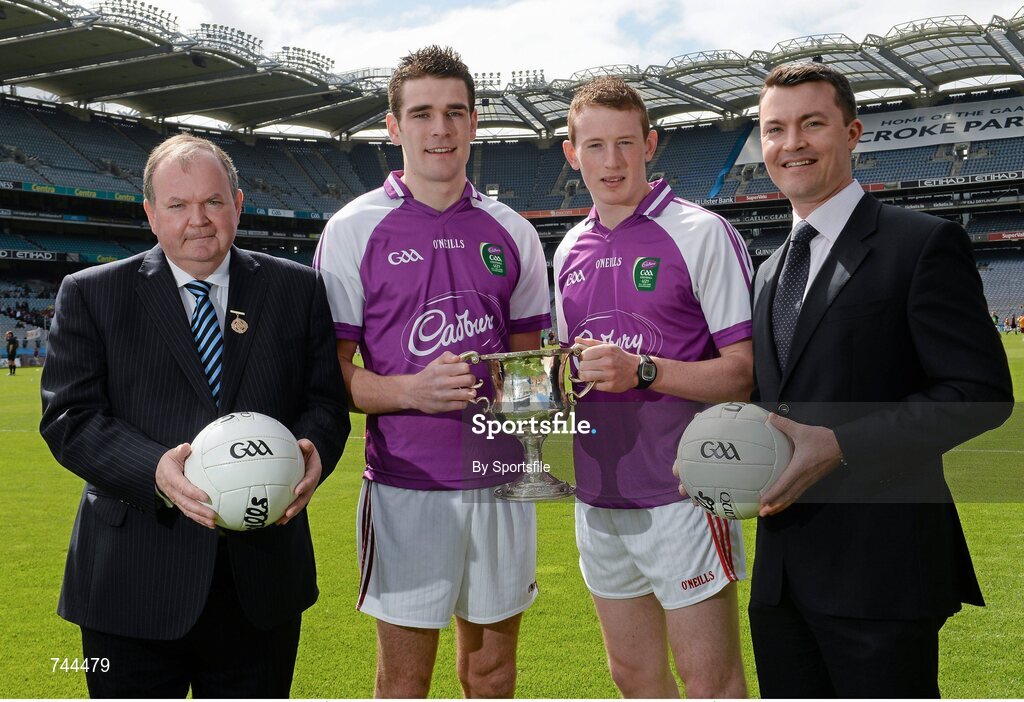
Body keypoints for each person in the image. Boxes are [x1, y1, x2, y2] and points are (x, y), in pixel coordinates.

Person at [40, 134, 348, 698]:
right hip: (130, 583)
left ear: (237, 202)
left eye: (212, 201)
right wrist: (154, 468)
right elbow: (69, 418)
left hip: (260, 581)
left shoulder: (297, 289)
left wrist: (312, 454)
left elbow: (324, 404)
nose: (198, 220)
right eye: (178, 205)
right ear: (151, 214)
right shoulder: (91, 294)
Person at [747, 62, 1012, 697]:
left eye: (812, 124)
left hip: (882, 569)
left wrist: (840, 445)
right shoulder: (767, 269)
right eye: (774, 129)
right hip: (782, 576)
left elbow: (979, 394)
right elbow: (778, 402)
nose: (792, 144)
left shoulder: (921, 243)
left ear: (853, 131)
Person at [313, 46, 551, 698]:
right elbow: (329, 375)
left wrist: (533, 411)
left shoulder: (514, 232)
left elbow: (529, 366)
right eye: (421, 114)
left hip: (501, 483)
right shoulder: (353, 229)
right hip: (406, 487)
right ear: (394, 128)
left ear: (474, 122)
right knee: (403, 680)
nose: (439, 129)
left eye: (453, 113)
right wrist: (409, 391)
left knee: (492, 673)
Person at [553, 76, 752, 698]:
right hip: (599, 496)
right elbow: (570, 374)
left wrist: (644, 370)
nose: (610, 162)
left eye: (624, 143)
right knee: (633, 677)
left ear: (650, 144)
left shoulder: (701, 233)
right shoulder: (567, 250)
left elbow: (743, 374)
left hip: (684, 494)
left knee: (708, 681)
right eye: (594, 146)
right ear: (570, 152)